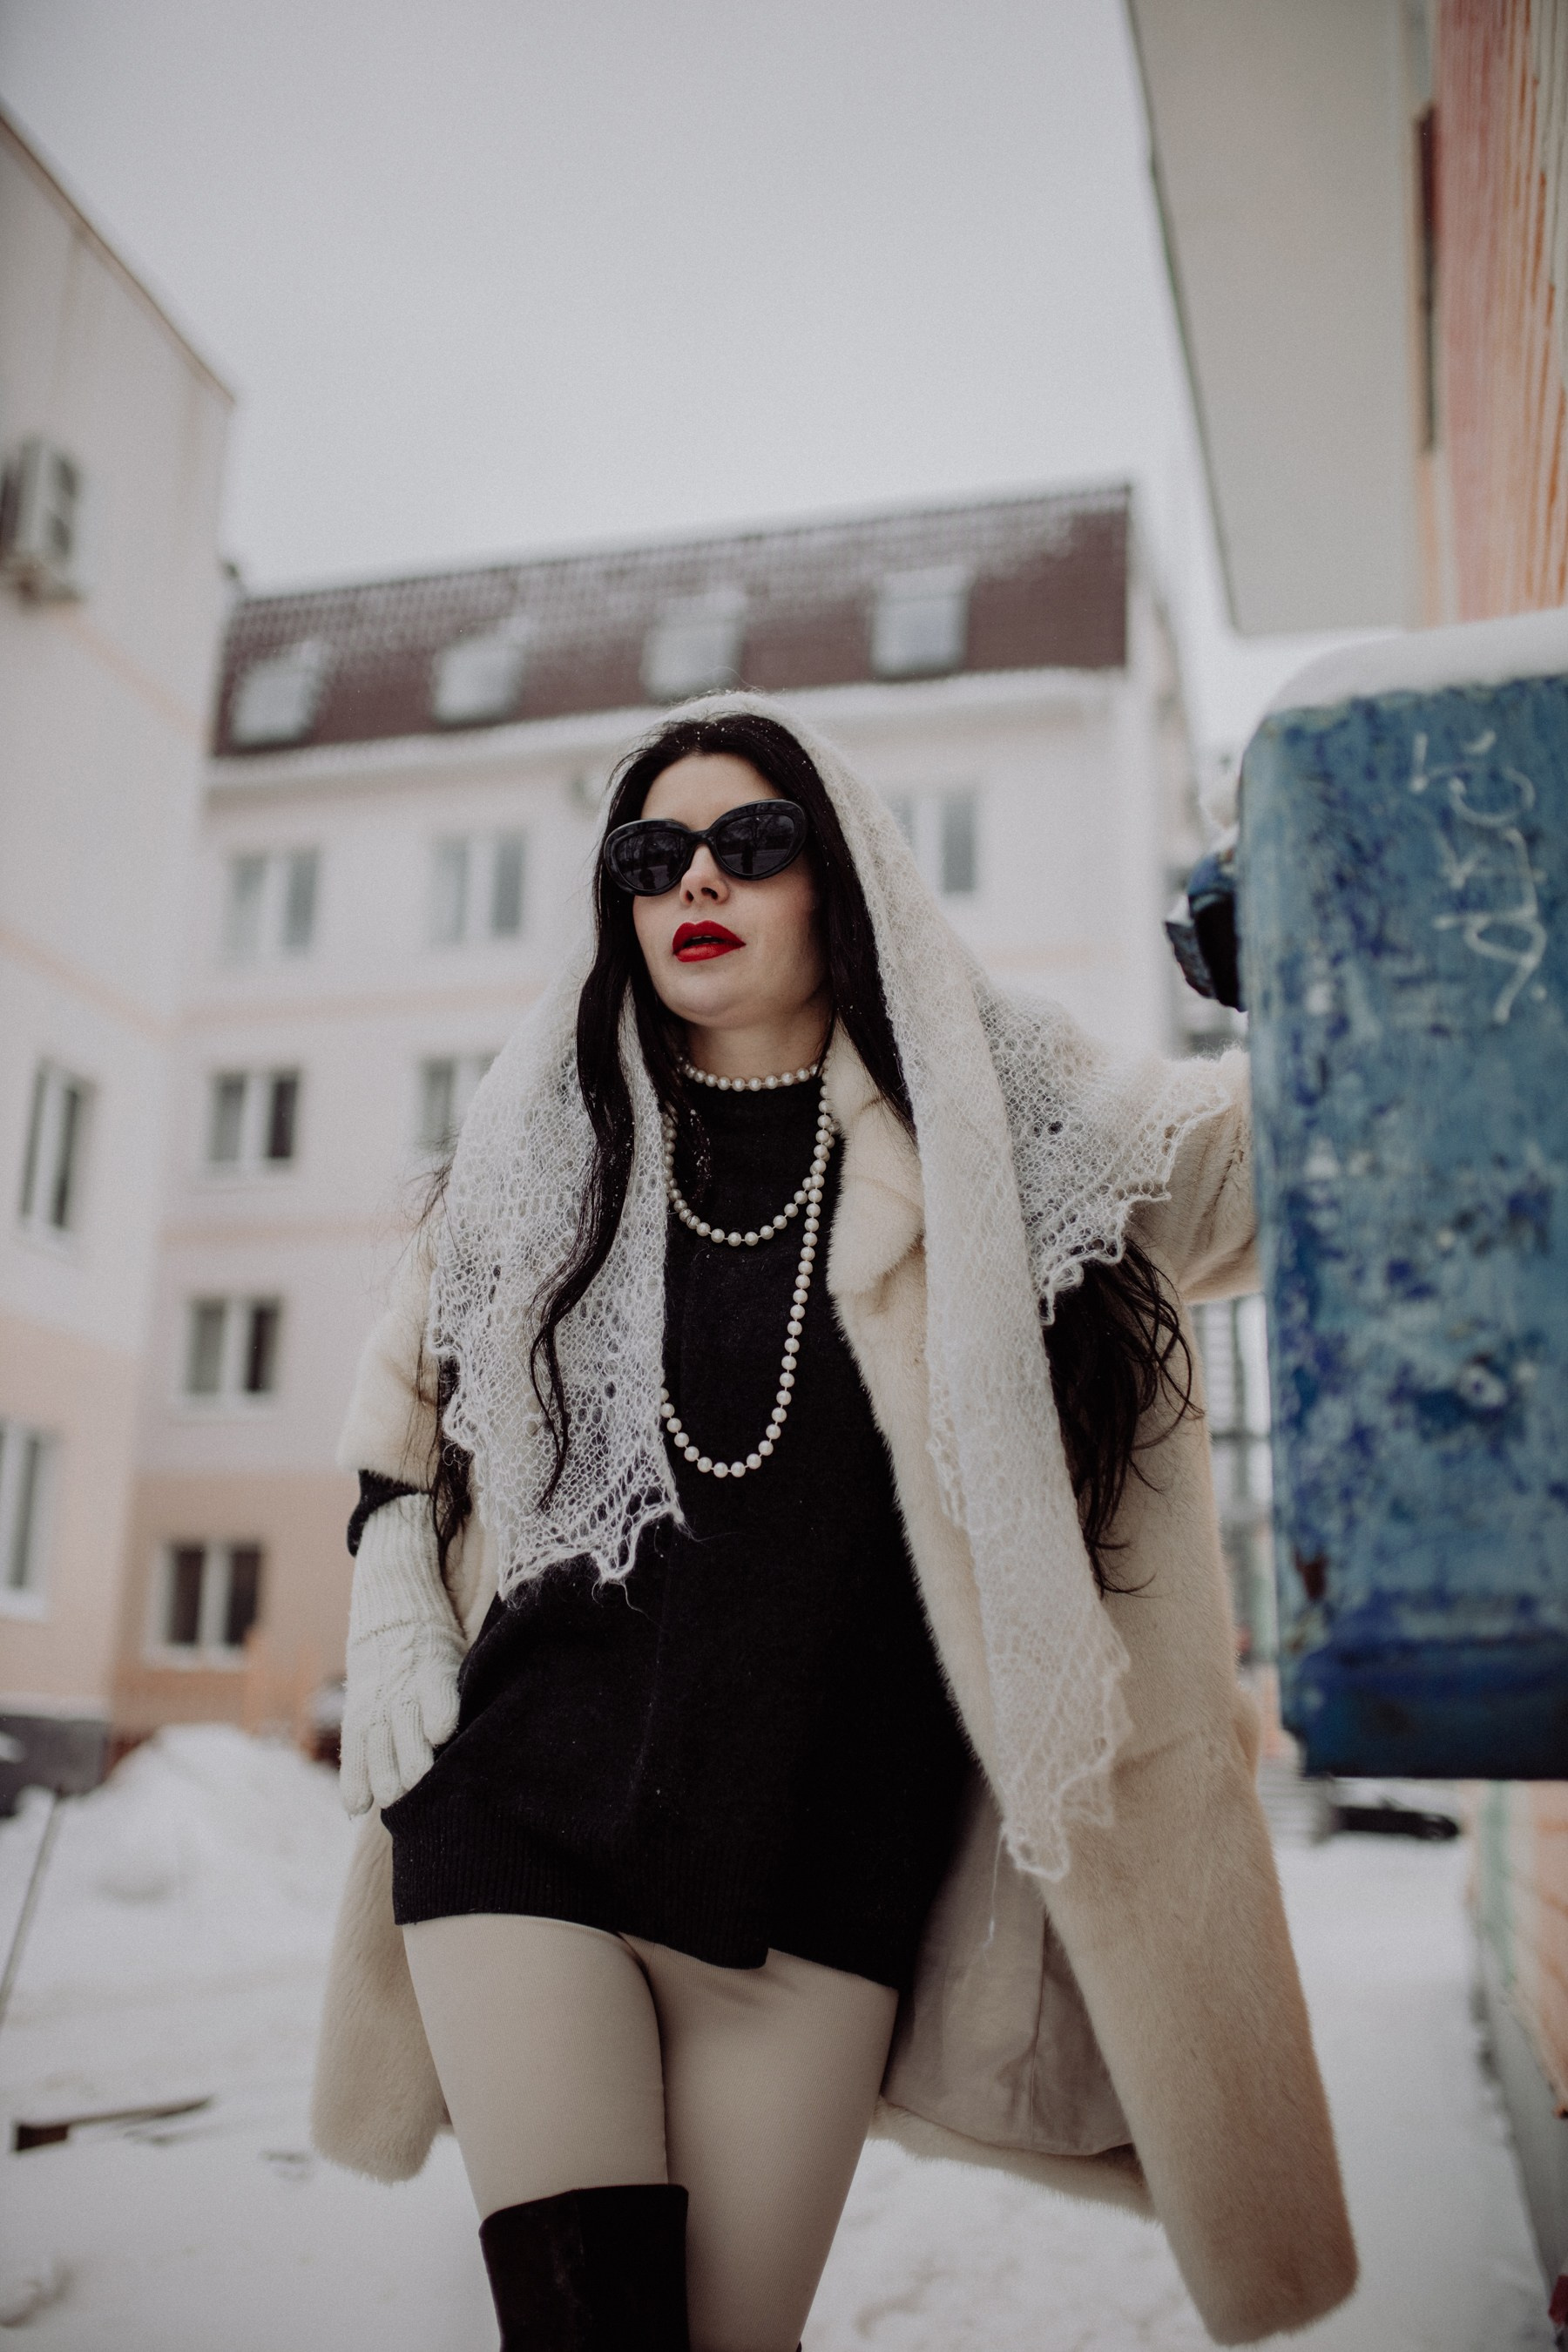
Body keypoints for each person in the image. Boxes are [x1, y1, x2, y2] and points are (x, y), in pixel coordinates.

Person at [312, 696, 1355, 2352]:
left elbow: (1278, 1171)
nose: (696, 881)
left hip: (817, 1885)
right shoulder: (544, 1145)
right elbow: (404, 1400)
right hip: (523, 1823)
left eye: (752, 842)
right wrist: (390, 1585)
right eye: (651, 856)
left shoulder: (1007, 1121)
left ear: (841, 877)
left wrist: (1316, 974)